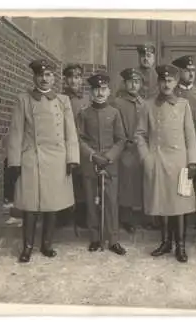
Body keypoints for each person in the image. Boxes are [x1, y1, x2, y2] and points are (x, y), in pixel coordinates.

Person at [7, 58, 80, 263]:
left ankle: (47, 244)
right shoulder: (24, 99)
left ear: (54, 78)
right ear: (34, 77)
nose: (44, 79)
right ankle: (27, 247)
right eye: (40, 75)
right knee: (30, 205)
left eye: (48, 75)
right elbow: (16, 133)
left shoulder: (62, 101)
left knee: (52, 204)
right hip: (32, 158)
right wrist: (14, 161)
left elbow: (70, 132)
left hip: (57, 158)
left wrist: (72, 158)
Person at [135, 64, 196, 263]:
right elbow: (139, 135)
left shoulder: (183, 105)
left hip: (180, 162)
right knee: (161, 202)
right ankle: (165, 242)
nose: (166, 84)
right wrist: (146, 157)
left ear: (176, 82)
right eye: (163, 80)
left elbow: (190, 135)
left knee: (179, 205)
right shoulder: (148, 105)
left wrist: (193, 161)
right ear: (158, 82)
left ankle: (180, 245)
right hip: (158, 160)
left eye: (170, 80)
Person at [77, 72, 127, 255]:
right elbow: (79, 139)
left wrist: (109, 156)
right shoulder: (84, 114)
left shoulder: (114, 113)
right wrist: (92, 155)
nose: (100, 92)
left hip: (110, 165)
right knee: (91, 201)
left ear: (109, 91)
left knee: (111, 202)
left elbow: (121, 139)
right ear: (91, 92)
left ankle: (113, 239)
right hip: (91, 164)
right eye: (96, 89)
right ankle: (95, 238)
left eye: (103, 89)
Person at [172, 55, 196, 232]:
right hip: (179, 143)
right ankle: (180, 215)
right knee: (181, 178)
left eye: (193, 71)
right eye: (187, 71)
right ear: (179, 72)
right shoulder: (173, 93)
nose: (191, 74)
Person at [111, 68, 147, 234]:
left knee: (140, 182)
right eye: (130, 81)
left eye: (137, 81)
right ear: (125, 84)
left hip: (140, 148)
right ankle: (125, 218)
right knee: (126, 183)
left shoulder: (144, 103)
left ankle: (141, 215)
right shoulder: (117, 103)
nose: (134, 84)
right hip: (125, 147)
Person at [58, 63, 90, 229]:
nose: (73, 81)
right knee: (64, 178)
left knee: (81, 179)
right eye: (70, 77)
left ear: (81, 79)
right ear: (65, 80)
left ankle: (81, 216)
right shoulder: (59, 99)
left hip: (82, 145)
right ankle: (63, 215)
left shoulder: (86, 101)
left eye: (77, 77)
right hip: (64, 144)